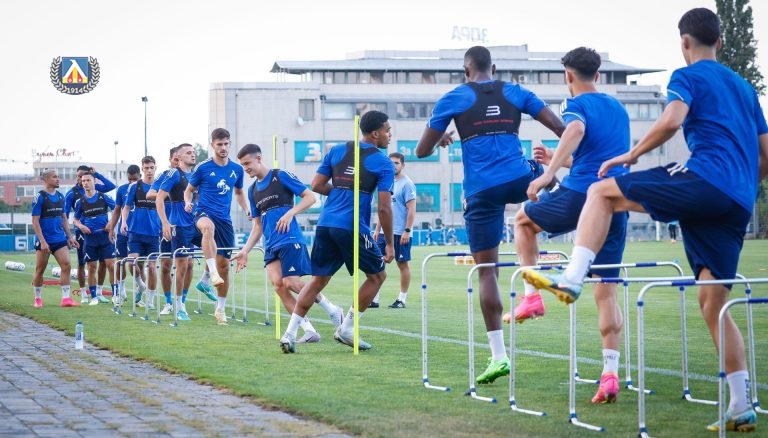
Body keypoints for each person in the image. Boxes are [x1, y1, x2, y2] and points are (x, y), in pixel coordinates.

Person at [522, 8, 767, 432]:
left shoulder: (687, 75)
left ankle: (572, 277)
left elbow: (672, 120)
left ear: (684, 43)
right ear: (721, 42)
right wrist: (740, 187)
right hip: (738, 201)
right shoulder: (745, 88)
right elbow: (765, 155)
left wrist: (633, 155)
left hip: (705, 179)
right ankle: (741, 403)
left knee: (601, 191)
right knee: (713, 302)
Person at [415, 45, 565, 385]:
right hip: (519, 178)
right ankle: (566, 220)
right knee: (547, 174)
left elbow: (422, 150)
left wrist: (442, 138)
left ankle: (499, 356)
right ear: (493, 68)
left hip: (481, 190)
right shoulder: (515, 91)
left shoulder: (454, 97)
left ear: (465, 71)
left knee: (487, 272)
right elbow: (560, 127)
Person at [503, 47, 629, 404]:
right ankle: (610, 374)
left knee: (523, 220)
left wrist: (548, 173)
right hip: (617, 201)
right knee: (606, 292)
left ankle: (531, 299)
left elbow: (574, 128)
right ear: (598, 75)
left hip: (583, 195)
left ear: (568, 76)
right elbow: (595, 157)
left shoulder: (575, 104)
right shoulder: (618, 108)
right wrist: (557, 159)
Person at [279, 110, 395, 353]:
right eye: (388, 130)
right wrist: (390, 243)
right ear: (375, 134)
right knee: (377, 276)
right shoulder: (384, 162)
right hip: (352, 226)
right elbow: (384, 208)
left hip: (325, 224)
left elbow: (316, 185)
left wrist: (342, 192)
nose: (390, 135)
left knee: (318, 280)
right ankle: (347, 329)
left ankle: (289, 335)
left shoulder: (336, 150)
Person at [233, 143, 344, 342]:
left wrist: (290, 212)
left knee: (291, 282)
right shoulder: (252, 190)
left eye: (247, 163)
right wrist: (245, 251)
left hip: (289, 239)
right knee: (279, 286)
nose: (245, 168)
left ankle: (333, 310)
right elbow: (257, 226)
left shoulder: (280, 176)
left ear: (259, 158)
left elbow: (310, 197)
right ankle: (309, 330)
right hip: (270, 244)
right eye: (242, 165)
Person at [183, 128, 248, 326]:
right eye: (219, 144)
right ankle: (210, 272)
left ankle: (220, 309)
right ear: (212, 145)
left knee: (225, 267)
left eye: (226, 144)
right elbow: (189, 190)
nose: (223, 147)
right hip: (203, 213)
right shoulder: (203, 167)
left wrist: (247, 209)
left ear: (230, 144)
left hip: (225, 220)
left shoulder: (237, 169)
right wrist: (187, 202)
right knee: (208, 229)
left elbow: (239, 193)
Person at [156, 143, 201, 320]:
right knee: (181, 265)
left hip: (195, 224)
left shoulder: (195, 175)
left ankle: (205, 280)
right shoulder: (174, 174)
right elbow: (159, 198)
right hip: (179, 226)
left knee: (212, 249)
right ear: (179, 157)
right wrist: (165, 223)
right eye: (188, 153)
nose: (193, 155)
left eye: (194, 152)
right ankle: (178, 305)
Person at [371, 152, 416, 309]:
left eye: (396, 163)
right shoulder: (386, 182)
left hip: (400, 233)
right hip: (384, 233)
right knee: (376, 263)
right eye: (391, 163)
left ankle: (401, 299)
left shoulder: (407, 184)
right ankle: (374, 298)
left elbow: (411, 209)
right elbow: (384, 209)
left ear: (402, 165)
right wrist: (377, 229)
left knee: (402, 264)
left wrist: (407, 231)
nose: (393, 166)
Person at [65, 165, 116, 302]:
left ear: (93, 180)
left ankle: (100, 292)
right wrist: (76, 229)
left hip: (102, 233)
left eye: (87, 178)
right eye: (81, 178)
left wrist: (97, 174)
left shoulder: (99, 192)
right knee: (84, 263)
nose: (83, 180)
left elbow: (112, 188)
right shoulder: (73, 195)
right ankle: (84, 294)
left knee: (106, 263)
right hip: (83, 234)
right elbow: (67, 215)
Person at [31, 169, 79, 308]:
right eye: (54, 177)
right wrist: (42, 241)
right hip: (44, 240)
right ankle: (38, 299)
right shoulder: (39, 197)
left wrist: (69, 237)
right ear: (45, 179)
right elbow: (35, 221)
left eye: (58, 177)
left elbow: (64, 218)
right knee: (40, 269)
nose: (58, 179)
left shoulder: (60, 196)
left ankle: (66, 299)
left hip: (59, 239)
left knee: (66, 265)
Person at [121, 156, 160, 309]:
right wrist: (124, 222)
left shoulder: (160, 186)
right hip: (136, 232)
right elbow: (126, 207)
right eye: (146, 168)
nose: (149, 170)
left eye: (152, 167)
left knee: (152, 267)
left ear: (155, 168)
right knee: (132, 263)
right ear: (142, 169)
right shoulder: (135, 187)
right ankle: (141, 285)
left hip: (153, 233)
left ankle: (150, 300)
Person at [147, 146, 179, 315]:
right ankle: (168, 302)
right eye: (175, 159)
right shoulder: (164, 176)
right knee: (166, 266)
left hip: (186, 225)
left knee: (188, 264)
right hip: (167, 225)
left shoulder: (192, 175)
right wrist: (169, 192)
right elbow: (150, 194)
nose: (178, 162)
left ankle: (181, 303)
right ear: (170, 160)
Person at [112, 164, 141, 307]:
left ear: (140, 176)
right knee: (120, 262)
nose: (132, 182)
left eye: (134, 179)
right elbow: (117, 210)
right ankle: (121, 291)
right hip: (123, 232)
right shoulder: (122, 190)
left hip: (138, 232)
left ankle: (140, 290)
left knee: (136, 264)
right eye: (129, 179)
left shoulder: (145, 189)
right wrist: (112, 228)